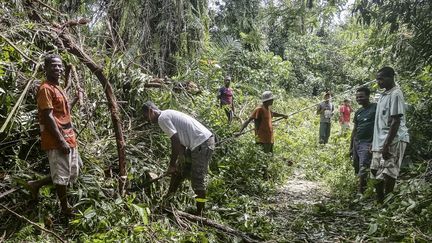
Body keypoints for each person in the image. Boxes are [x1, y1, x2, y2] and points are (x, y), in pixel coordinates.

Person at [27, 54, 83, 217]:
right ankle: (65, 209)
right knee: (61, 177)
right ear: (46, 68)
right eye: (54, 66)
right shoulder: (45, 88)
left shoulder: (58, 88)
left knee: (73, 172)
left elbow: (63, 112)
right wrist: (60, 141)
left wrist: (74, 100)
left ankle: (36, 184)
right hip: (57, 139)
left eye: (60, 66)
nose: (58, 69)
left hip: (69, 136)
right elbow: (47, 116)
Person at [142, 101, 215, 215]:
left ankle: (200, 214)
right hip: (198, 143)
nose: (147, 120)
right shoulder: (167, 114)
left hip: (201, 144)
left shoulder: (162, 119)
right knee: (179, 172)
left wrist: (171, 165)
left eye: (146, 117)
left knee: (197, 180)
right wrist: (180, 157)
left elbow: (175, 140)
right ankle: (167, 201)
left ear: (151, 111)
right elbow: (180, 139)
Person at [371, 67, 409, 204]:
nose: (379, 82)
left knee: (389, 172)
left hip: (394, 139)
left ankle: (387, 204)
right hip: (380, 141)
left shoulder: (396, 94)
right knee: (375, 170)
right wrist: (375, 143)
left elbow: (396, 121)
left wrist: (387, 144)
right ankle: (380, 202)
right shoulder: (384, 95)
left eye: (381, 78)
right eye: (377, 79)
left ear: (391, 77)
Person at [350, 87, 377, 194]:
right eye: (357, 97)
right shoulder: (358, 112)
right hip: (357, 142)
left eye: (361, 96)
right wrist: (351, 147)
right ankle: (363, 189)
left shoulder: (375, 107)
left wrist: (374, 142)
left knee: (364, 167)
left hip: (368, 142)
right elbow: (355, 129)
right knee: (357, 166)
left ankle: (361, 192)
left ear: (368, 96)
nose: (359, 99)